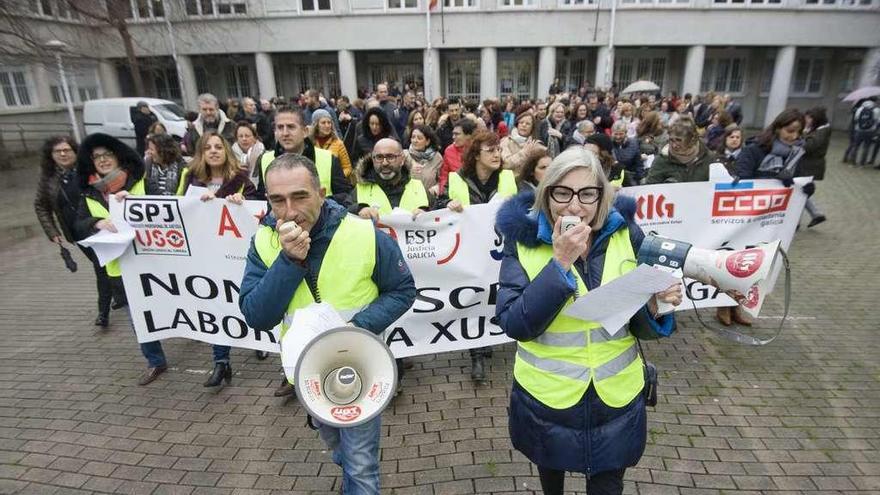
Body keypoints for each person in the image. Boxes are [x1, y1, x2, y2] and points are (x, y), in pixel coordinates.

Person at [495, 146, 680, 495]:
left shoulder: (627, 234)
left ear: (602, 196)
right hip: (549, 399)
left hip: (616, 398)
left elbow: (634, 321)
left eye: (587, 193)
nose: (575, 206)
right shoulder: (523, 242)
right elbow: (514, 323)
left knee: (608, 485)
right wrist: (559, 264)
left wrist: (656, 305)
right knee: (552, 479)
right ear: (546, 194)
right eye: (562, 193)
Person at [239, 153, 416, 495]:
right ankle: (346, 466)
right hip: (309, 374)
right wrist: (289, 261)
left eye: (300, 196)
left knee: (362, 467)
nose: (289, 211)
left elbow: (403, 290)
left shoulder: (365, 234)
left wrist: (354, 329)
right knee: (338, 448)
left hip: (362, 368)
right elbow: (257, 315)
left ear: (321, 193)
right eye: (277, 200)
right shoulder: (263, 242)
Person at [73, 133, 170, 384]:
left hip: (151, 263)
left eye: (108, 155)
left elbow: (165, 212)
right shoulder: (89, 194)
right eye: (97, 157)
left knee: (169, 306)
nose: (103, 160)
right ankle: (155, 361)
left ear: (118, 156)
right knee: (137, 319)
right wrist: (96, 223)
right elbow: (78, 225)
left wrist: (136, 203)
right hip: (119, 270)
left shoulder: (140, 183)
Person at [437, 130, 519, 382]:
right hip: (469, 252)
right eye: (491, 150)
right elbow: (439, 207)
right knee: (473, 298)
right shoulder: (457, 179)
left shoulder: (506, 177)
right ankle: (477, 355)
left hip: (498, 252)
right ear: (476, 155)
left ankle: (489, 338)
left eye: (498, 149)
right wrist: (448, 206)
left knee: (495, 295)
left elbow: (517, 207)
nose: (497, 154)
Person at [34, 136, 116, 327]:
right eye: (58, 151)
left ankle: (103, 312)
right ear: (51, 155)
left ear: (75, 151)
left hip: (99, 228)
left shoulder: (89, 171)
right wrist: (51, 231)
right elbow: (41, 205)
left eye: (67, 150)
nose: (63, 154)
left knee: (102, 268)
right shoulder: (48, 179)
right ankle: (117, 294)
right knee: (105, 268)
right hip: (77, 233)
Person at [255, 108, 353, 211]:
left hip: (322, 224)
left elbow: (344, 196)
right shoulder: (265, 160)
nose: (285, 133)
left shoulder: (328, 158)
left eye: (291, 127)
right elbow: (261, 200)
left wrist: (315, 202)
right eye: (280, 127)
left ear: (305, 131)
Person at [178, 132, 257, 201]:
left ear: (226, 152)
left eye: (218, 147)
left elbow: (255, 206)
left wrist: (243, 199)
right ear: (201, 153)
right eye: (207, 148)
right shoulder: (188, 176)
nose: (213, 151)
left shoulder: (241, 179)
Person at [735, 108, 806, 182]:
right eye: (790, 131)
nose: (794, 136)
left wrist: (802, 187)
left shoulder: (797, 154)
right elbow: (742, 181)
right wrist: (774, 180)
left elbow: (798, 178)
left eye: (799, 132)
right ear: (777, 128)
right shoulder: (753, 150)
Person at [645, 116, 717, 184]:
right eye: (671, 140)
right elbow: (650, 188)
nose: (674, 145)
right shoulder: (662, 160)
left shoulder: (708, 158)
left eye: (678, 140)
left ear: (692, 140)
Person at [800, 106, 831, 228]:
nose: (806, 120)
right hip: (809, 164)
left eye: (809, 118)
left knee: (801, 191)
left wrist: (804, 134)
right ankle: (816, 214)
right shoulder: (819, 130)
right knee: (802, 191)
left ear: (815, 119)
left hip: (810, 165)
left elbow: (809, 147)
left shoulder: (821, 131)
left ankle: (800, 220)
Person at [437, 118, 477, 195]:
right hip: (454, 194)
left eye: (457, 134)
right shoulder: (449, 151)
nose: (453, 137)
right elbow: (444, 175)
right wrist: (443, 192)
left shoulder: (477, 150)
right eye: (453, 134)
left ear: (468, 136)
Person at [310, 108, 353, 179]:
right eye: (323, 123)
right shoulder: (310, 143)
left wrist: (337, 178)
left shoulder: (338, 143)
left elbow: (347, 168)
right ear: (316, 125)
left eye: (329, 122)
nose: (327, 125)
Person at [403, 124, 443, 196]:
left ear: (427, 141)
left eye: (419, 138)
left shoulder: (437, 157)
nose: (415, 140)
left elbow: (442, 179)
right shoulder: (405, 155)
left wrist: (438, 187)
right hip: (411, 200)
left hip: (431, 202)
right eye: (413, 137)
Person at [501, 112, 545, 176]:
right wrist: (524, 152)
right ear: (517, 125)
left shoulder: (536, 144)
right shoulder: (506, 141)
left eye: (528, 124)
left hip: (528, 182)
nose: (524, 125)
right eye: (521, 122)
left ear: (532, 128)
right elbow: (506, 164)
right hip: (510, 181)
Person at [232, 121, 266, 185]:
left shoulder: (263, 155)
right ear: (236, 139)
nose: (244, 139)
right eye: (241, 136)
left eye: (247, 136)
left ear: (254, 138)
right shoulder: (230, 157)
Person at [610, 120, 643, 186]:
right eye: (615, 134)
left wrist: (640, 178)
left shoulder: (633, 143)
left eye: (621, 134)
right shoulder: (608, 144)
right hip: (613, 177)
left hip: (630, 176)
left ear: (626, 133)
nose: (618, 137)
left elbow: (638, 163)